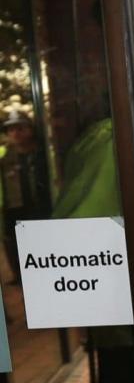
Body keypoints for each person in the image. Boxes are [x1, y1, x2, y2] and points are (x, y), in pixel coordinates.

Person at [0, 109, 51, 279]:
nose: (15, 133)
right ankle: (21, 277)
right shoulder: (5, 157)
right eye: (11, 129)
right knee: (15, 244)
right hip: (15, 210)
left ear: (30, 129)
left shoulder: (45, 154)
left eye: (20, 128)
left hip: (42, 208)